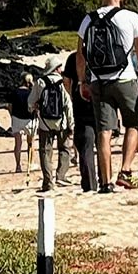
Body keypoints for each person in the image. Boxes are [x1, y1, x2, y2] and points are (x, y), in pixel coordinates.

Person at [75, 0, 138, 193]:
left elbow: (80, 55)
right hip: (125, 78)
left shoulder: (87, 20)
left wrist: (83, 81)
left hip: (98, 81)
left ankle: (105, 182)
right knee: (133, 124)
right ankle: (125, 171)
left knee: (104, 132)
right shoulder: (131, 17)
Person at [27, 58, 74, 192]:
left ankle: (48, 182)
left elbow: (30, 102)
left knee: (45, 152)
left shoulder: (40, 82)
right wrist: (71, 124)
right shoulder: (62, 83)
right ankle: (61, 175)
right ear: (57, 69)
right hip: (61, 123)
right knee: (64, 149)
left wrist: (34, 108)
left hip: (44, 123)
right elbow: (67, 105)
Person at [59, 49, 102, 193]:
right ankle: (105, 180)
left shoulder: (74, 57)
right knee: (103, 142)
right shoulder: (101, 54)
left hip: (81, 103)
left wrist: (71, 97)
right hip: (101, 101)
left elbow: (66, 81)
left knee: (85, 145)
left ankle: (89, 183)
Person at [8, 72, 37, 173]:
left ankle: (18, 166)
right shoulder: (31, 93)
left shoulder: (15, 92)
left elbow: (10, 106)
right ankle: (30, 164)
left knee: (18, 144)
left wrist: (12, 115)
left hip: (17, 119)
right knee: (30, 143)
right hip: (29, 120)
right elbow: (34, 106)